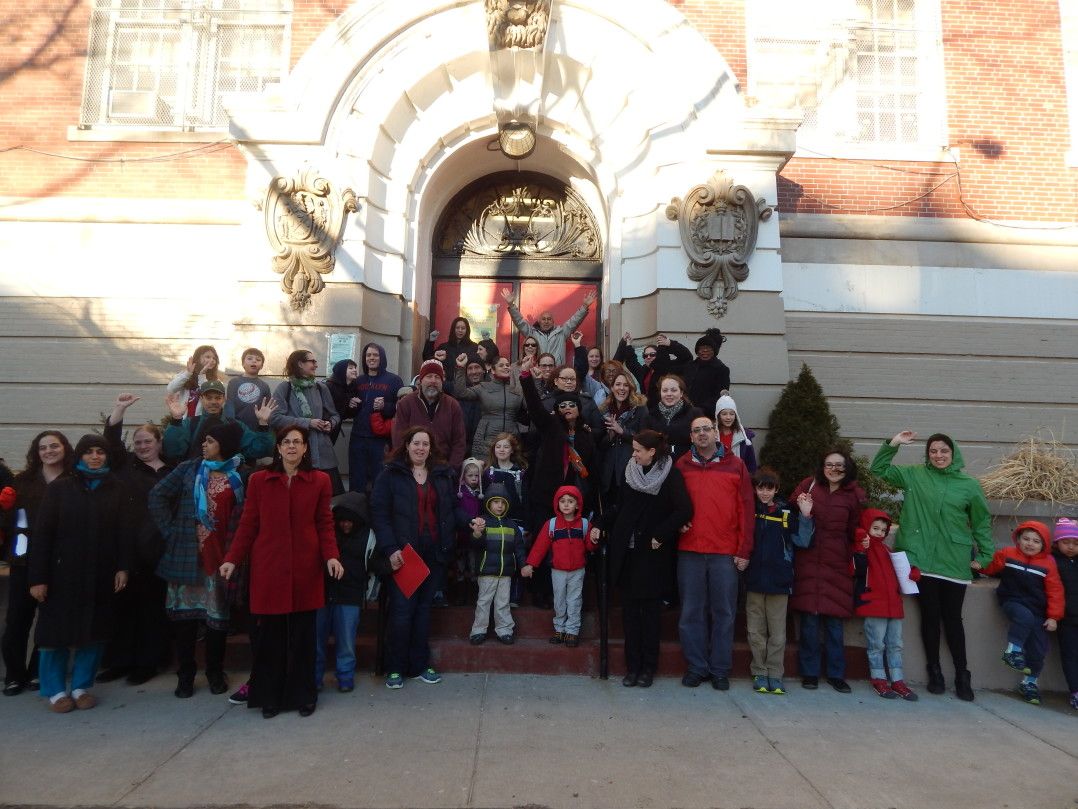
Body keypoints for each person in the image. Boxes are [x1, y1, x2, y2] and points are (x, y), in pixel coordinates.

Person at [220, 427, 343, 718]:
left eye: (297, 442)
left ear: (305, 449)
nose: (291, 447)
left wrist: (332, 557)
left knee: (303, 638)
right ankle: (270, 696)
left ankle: (304, 695)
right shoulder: (260, 481)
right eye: (286, 442)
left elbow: (325, 523)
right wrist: (232, 559)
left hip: (305, 569)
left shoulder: (320, 481)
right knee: (271, 638)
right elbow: (248, 524)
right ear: (278, 448)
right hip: (269, 569)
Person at [870, 430, 993, 701]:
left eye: (944, 451)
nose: (938, 455)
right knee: (930, 618)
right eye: (933, 451)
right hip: (921, 560)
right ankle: (934, 671)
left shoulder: (968, 485)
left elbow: (981, 522)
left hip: (953, 561)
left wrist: (984, 557)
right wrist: (893, 445)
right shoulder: (914, 475)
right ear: (927, 455)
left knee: (953, 620)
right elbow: (878, 470)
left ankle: (963, 675)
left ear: (953, 453)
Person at [28, 434, 133, 712]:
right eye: (89, 452)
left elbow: (124, 531)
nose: (95, 457)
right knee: (55, 634)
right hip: (62, 573)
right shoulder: (61, 489)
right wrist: (37, 577)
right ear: (80, 456)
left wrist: (123, 566)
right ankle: (54, 691)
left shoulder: (116, 488)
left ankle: (81, 686)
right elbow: (42, 536)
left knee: (94, 631)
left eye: (100, 451)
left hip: (101, 572)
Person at [149, 421, 248, 699]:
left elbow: (244, 517)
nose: (204, 445)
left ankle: (215, 672)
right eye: (204, 441)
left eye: (211, 441)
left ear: (225, 446)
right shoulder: (188, 469)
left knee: (217, 621)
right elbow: (157, 496)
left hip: (220, 558)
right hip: (187, 556)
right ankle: (186, 675)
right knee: (185, 622)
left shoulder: (239, 475)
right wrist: (172, 532)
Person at [372, 427, 475, 689]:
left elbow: (451, 510)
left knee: (423, 612)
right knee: (402, 612)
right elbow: (380, 515)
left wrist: (470, 522)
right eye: (415, 443)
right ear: (406, 446)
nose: (420, 448)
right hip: (404, 556)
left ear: (431, 448)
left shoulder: (442, 475)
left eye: (425, 444)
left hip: (434, 554)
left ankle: (419, 665)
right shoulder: (390, 475)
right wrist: (390, 548)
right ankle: (395, 667)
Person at [597, 430, 692, 687]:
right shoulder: (630, 471)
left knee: (649, 615)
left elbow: (684, 510)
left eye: (638, 450)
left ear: (652, 452)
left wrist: (661, 534)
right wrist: (599, 523)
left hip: (651, 554)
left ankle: (648, 668)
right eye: (634, 449)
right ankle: (632, 667)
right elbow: (620, 506)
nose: (634, 454)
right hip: (626, 552)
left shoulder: (669, 474)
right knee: (629, 614)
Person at [96, 393, 173, 686]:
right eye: (138, 442)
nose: (142, 446)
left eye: (147, 441)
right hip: (126, 549)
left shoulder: (171, 469)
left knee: (152, 609)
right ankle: (120, 661)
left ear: (159, 443)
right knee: (122, 607)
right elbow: (111, 441)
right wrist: (119, 409)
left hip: (158, 551)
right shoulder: (125, 466)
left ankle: (149, 661)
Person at [675, 414, 754, 690]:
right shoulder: (681, 465)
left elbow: (746, 510)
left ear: (716, 433)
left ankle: (720, 669)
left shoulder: (736, 465)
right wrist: (676, 523)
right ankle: (697, 666)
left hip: (725, 552)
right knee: (691, 612)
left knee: (724, 612)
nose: (702, 434)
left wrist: (744, 550)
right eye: (696, 430)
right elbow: (671, 503)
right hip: (690, 550)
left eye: (707, 429)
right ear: (691, 436)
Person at [3, 431, 73, 697]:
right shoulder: (23, 482)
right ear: (37, 452)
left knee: (49, 622)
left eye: (54, 446)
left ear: (64, 449)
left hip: (60, 563)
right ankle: (13, 674)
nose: (49, 451)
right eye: (43, 447)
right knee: (17, 621)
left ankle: (36, 672)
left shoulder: (74, 481)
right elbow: (11, 523)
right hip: (25, 561)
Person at [790, 449, 864, 694]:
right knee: (809, 622)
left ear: (847, 468)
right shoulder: (808, 486)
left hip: (837, 561)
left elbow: (855, 527)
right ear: (822, 467)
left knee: (834, 623)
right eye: (829, 465)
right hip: (808, 558)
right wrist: (804, 513)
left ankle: (836, 674)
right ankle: (809, 673)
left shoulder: (853, 495)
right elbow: (790, 512)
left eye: (839, 465)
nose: (833, 469)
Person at [972, 520, 1063, 706]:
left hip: (1038, 610)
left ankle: (1030, 683)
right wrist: (979, 566)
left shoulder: (1048, 564)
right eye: (1026, 539)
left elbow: (1055, 591)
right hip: (1011, 601)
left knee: (1038, 649)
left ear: (1044, 544)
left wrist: (1053, 617)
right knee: (1023, 616)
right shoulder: (1008, 554)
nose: (1030, 543)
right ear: (1018, 539)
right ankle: (1013, 651)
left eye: (1036, 541)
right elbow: (993, 566)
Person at [744, 468, 814, 696]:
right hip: (754, 579)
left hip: (779, 580)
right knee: (756, 631)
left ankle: (775, 673)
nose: (764, 493)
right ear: (755, 489)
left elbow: (802, 541)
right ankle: (759, 672)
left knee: (778, 633)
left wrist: (805, 515)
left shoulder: (785, 513)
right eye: (760, 488)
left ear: (776, 489)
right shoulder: (749, 511)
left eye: (769, 488)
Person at [517, 356, 597, 530]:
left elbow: (593, 465)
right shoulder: (551, 426)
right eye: (562, 405)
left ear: (579, 409)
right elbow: (535, 407)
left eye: (571, 405)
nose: (567, 407)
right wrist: (526, 376)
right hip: (548, 492)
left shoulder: (585, 432)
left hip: (575, 494)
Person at [853, 508, 918, 701]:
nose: (880, 532)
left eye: (883, 529)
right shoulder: (862, 547)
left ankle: (897, 680)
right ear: (866, 527)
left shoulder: (887, 550)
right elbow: (855, 567)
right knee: (876, 644)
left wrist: (912, 573)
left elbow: (899, 574)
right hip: (874, 604)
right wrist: (860, 543)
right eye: (875, 528)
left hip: (893, 606)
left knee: (896, 644)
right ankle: (878, 678)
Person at [521, 485, 595, 647]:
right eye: (562, 501)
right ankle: (560, 629)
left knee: (574, 600)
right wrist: (530, 565)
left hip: (577, 570)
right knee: (559, 601)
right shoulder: (552, 524)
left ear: (577, 505)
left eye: (570, 501)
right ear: (557, 504)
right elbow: (540, 547)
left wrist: (594, 539)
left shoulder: (584, 524)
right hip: (558, 571)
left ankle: (572, 631)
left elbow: (590, 547)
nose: (566, 504)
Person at [314, 491, 370, 693]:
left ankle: (345, 677)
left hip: (350, 595)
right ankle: (315, 677)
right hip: (324, 592)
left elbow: (375, 563)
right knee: (317, 640)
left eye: (350, 522)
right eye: (342, 521)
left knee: (346, 641)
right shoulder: (328, 535)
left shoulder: (367, 538)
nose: (345, 525)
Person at [270, 349, 343, 495]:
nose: (316, 365)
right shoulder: (285, 388)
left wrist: (331, 424)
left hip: (324, 457)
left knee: (331, 501)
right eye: (312, 361)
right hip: (297, 456)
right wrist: (308, 422)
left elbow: (335, 415)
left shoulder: (321, 388)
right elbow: (275, 418)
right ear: (300, 364)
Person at [163, 379, 276, 464]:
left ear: (224, 399)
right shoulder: (190, 424)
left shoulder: (235, 425)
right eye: (209, 398)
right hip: (195, 481)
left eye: (217, 398)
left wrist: (263, 423)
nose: (213, 402)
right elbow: (172, 453)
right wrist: (176, 420)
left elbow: (259, 450)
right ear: (201, 399)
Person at [468, 484, 526, 645]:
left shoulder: (512, 525)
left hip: (506, 572)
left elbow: (519, 548)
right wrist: (477, 533)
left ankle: (505, 630)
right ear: (488, 503)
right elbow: (475, 545)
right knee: (483, 602)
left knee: (503, 603)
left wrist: (523, 565)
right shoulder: (483, 522)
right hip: (487, 571)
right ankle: (478, 630)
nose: (499, 505)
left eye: (502, 502)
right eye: (495, 502)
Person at [391, 359, 468, 471]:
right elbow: (399, 439)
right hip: (412, 468)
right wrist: (407, 467)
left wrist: (451, 469)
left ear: (442, 382)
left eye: (437, 377)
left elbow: (459, 442)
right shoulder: (406, 403)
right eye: (429, 376)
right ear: (421, 380)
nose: (433, 381)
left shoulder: (453, 405)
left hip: (443, 469)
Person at [350, 342, 404, 493]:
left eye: (375, 355)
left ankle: (378, 514)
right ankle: (356, 514)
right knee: (357, 481)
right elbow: (347, 407)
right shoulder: (358, 381)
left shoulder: (394, 380)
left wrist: (385, 407)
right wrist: (350, 403)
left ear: (382, 358)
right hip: (358, 437)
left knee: (380, 481)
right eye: (368, 355)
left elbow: (402, 408)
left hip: (380, 440)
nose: (371, 358)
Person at [452, 352, 523, 458]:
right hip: (486, 439)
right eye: (501, 365)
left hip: (511, 438)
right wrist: (460, 368)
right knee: (484, 471)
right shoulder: (483, 387)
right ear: (493, 370)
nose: (506, 367)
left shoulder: (517, 389)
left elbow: (531, 406)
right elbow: (461, 393)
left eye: (507, 365)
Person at [501, 287, 597, 364]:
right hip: (538, 371)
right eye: (543, 319)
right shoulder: (532, 333)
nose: (546, 321)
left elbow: (574, 321)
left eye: (549, 319)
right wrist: (511, 305)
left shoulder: (562, 333)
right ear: (539, 321)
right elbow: (519, 322)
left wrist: (585, 307)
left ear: (553, 321)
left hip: (557, 372)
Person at [596, 370, 648, 504]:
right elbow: (599, 445)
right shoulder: (604, 410)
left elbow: (645, 440)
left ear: (630, 388)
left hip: (630, 469)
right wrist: (610, 436)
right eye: (618, 384)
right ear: (611, 388)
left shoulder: (640, 409)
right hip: (608, 472)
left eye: (626, 385)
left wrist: (622, 431)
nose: (622, 388)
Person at [664, 329, 730, 418]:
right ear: (697, 351)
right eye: (702, 349)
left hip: (706, 415)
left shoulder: (721, 369)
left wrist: (701, 409)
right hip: (684, 412)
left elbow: (720, 396)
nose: (705, 352)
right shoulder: (690, 366)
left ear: (714, 351)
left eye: (709, 349)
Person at [641, 375, 703, 459]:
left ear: (681, 393)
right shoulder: (650, 416)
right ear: (660, 393)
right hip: (658, 465)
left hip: (687, 464)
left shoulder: (695, 414)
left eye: (673, 390)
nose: (669, 394)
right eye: (665, 390)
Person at [615, 332, 690, 402]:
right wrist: (628, 344)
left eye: (652, 354)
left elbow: (687, 357)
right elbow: (632, 363)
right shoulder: (644, 371)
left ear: (659, 355)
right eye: (645, 355)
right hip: (650, 412)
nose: (648, 357)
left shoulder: (669, 368)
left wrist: (670, 343)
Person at [1051, 518, 1078, 711]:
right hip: (1066, 619)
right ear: (1056, 543)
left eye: (1076, 543)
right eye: (1066, 542)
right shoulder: (1053, 561)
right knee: (1070, 656)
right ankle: (1075, 692)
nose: (1071, 547)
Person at [167, 345, 221, 418]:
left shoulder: (216, 381)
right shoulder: (185, 375)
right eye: (208, 357)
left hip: (201, 422)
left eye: (214, 358)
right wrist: (188, 374)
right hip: (183, 419)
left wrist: (202, 375)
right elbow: (171, 389)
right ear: (198, 359)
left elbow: (207, 395)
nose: (212, 360)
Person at [225, 348, 272, 431]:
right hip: (236, 429)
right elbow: (230, 404)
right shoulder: (234, 382)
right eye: (249, 358)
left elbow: (267, 409)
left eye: (258, 359)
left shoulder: (264, 386)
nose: (254, 361)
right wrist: (231, 423)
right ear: (243, 363)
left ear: (261, 366)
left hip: (257, 430)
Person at [715, 394, 757, 473]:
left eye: (732, 414)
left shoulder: (744, 437)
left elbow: (751, 465)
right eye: (724, 414)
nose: (728, 417)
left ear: (736, 415)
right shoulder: (712, 435)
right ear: (718, 416)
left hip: (737, 478)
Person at [325, 358, 361, 445]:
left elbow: (348, 414)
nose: (355, 370)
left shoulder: (353, 387)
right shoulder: (329, 386)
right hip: (325, 427)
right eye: (351, 368)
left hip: (336, 427)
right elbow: (329, 408)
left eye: (355, 368)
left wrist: (354, 405)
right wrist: (347, 402)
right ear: (342, 370)